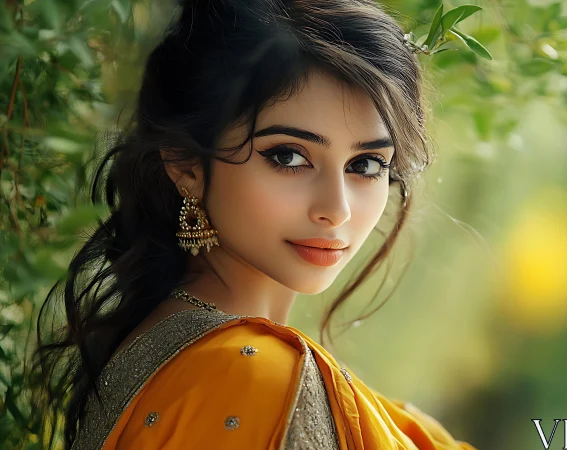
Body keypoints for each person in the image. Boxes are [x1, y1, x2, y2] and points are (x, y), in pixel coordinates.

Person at [31, 0, 477, 449]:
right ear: (186, 163)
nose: (336, 209)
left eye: (365, 164)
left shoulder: (170, 347)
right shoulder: (247, 374)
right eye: (288, 157)